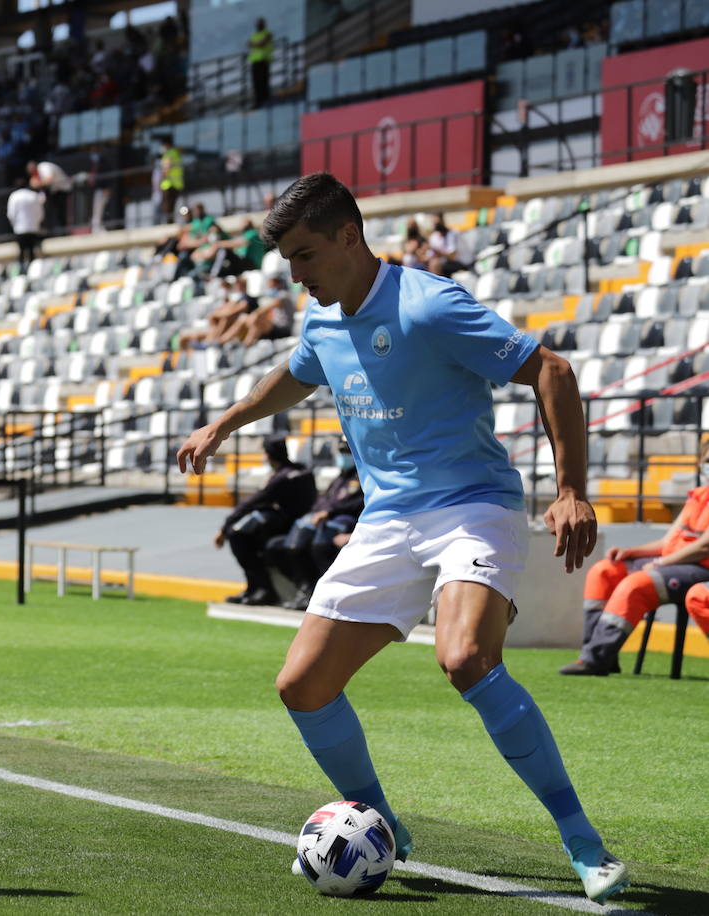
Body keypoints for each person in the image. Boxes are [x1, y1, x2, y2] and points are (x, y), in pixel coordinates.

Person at [176, 172, 627, 904]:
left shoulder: (428, 305)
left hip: (471, 509)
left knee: (465, 659)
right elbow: (293, 375)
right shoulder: (323, 319)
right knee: (302, 684)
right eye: (288, 258)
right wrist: (224, 423)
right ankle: (381, 821)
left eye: (306, 254)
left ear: (350, 237)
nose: (296, 273)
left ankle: (583, 841)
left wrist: (571, 490)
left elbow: (553, 370)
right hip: (386, 520)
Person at [559, 438, 709, 675]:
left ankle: (596, 658)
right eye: (707, 461)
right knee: (604, 571)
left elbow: (704, 547)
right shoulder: (698, 496)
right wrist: (633, 552)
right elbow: (668, 542)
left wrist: (660, 563)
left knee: (636, 584)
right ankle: (600, 652)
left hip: (700, 569)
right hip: (672, 563)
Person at [215, 435, 316, 606]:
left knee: (238, 535)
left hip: (290, 526)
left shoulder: (282, 477)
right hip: (299, 524)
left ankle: (261, 588)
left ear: (269, 455)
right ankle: (254, 588)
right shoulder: (303, 471)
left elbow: (254, 501)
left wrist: (226, 527)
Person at [265, 437, 364, 611]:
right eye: (341, 452)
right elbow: (322, 502)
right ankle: (306, 589)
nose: (343, 456)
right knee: (282, 546)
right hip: (323, 524)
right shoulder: (340, 478)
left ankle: (326, 596)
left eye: (346, 452)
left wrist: (329, 513)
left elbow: (354, 504)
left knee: (321, 544)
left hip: (345, 525)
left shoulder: (361, 477)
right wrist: (318, 512)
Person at [6, 175, 46, 269]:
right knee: (32, 252)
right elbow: (40, 213)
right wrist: (37, 223)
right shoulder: (33, 195)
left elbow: (11, 214)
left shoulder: (14, 196)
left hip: (20, 229)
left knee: (21, 252)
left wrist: (14, 225)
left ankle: (22, 271)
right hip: (33, 228)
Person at [28, 160, 74, 232]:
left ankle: (65, 231)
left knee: (63, 213)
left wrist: (38, 184)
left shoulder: (43, 167)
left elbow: (50, 178)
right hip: (55, 191)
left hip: (64, 190)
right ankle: (59, 230)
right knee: (56, 213)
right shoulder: (38, 172)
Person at [246, 17, 274, 109]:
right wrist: (255, 44)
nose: (258, 25)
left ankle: (266, 100)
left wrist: (254, 44)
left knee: (263, 82)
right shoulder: (254, 35)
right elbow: (249, 44)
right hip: (255, 62)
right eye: (257, 23)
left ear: (263, 24)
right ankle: (258, 102)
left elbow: (261, 44)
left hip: (264, 60)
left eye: (260, 23)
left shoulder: (268, 33)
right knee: (256, 83)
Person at [157, 136, 184, 224]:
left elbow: (166, 169)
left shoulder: (169, 154)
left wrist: (161, 180)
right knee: (172, 206)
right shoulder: (176, 153)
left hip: (169, 184)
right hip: (177, 184)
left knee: (167, 207)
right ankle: (170, 221)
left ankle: (169, 223)